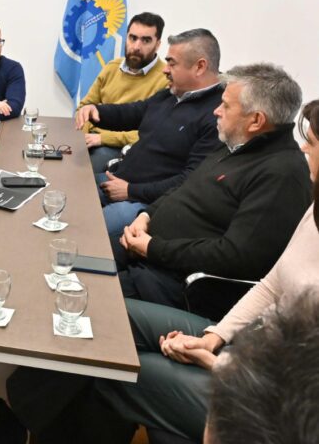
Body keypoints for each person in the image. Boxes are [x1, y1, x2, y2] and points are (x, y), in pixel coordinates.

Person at [0, 98, 319, 444]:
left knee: (109, 361)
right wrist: (214, 337)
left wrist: (221, 361)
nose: (304, 149)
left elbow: (240, 261)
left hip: (262, 386)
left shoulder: (282, 174)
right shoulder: (280, 186)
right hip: (235, 338)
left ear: (256, 119)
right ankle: (11, 423)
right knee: (92, 316)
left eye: (313, 143)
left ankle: (12, 426)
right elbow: (271, 285)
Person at [117, 63, 311, 309]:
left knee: (88, 295)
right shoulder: (235, 145)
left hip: (174, 285)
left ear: (256, 120)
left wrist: (153, 249)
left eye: (226, 106)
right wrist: (147, 215)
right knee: (81, 255)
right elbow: (184, 189)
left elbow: (234, 256)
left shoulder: (282, 174)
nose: (216, 111)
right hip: (146, 255)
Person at [75, 28, 224, 238]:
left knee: (88, 231)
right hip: (119, 181)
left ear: (200, 66)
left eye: (172, 63)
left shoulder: (217, 115)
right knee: (66, 192)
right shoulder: (172, 94)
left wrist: (131, 191)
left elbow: (190, 180)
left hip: (147, 203)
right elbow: (134, 112)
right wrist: (96, 111)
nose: (165, 70)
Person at [205, 293, 319, 444]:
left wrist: (216, 363)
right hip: (251, 356)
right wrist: (214, 336)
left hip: (256, 381)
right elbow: (268, 288)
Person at [78, 12, 170, 172]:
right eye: (132, 38)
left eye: (146, 40)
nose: (136, 47)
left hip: (126, 147)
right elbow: (85, 107)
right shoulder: (112, 67)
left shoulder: (166, 78)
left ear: (157, 44)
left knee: (83, 171)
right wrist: (81, 139)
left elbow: (154, 132)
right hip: (91, 139)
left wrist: (103, 138)